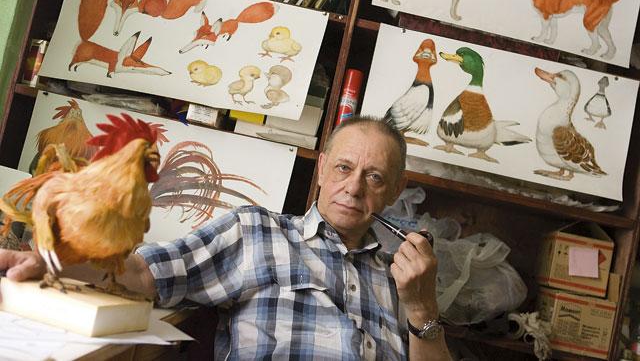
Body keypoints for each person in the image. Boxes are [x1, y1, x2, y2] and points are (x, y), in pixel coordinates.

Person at [0, 116, 451, 360]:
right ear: (321, 168)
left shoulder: (406, 278)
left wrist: (421, 309)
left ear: (395, 190)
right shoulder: (256, 232)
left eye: (374, 177)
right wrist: (52, 260)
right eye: (344, 168)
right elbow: (141, 273)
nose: (352, 188)